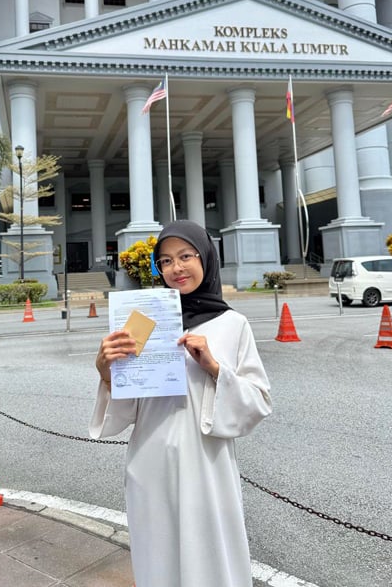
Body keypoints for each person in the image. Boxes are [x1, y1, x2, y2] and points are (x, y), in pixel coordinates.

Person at [90, 220, 272, 587]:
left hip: (207, 465)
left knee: (211, 556)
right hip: (151, 461)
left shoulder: (233, 324)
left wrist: (215, 368)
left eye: (186, 256)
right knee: (159, 557)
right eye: (166, 260)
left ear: (205, 257)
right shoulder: (142, 323)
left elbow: (258, 400)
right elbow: (128, 405)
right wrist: (107, 371)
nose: (177, 268)